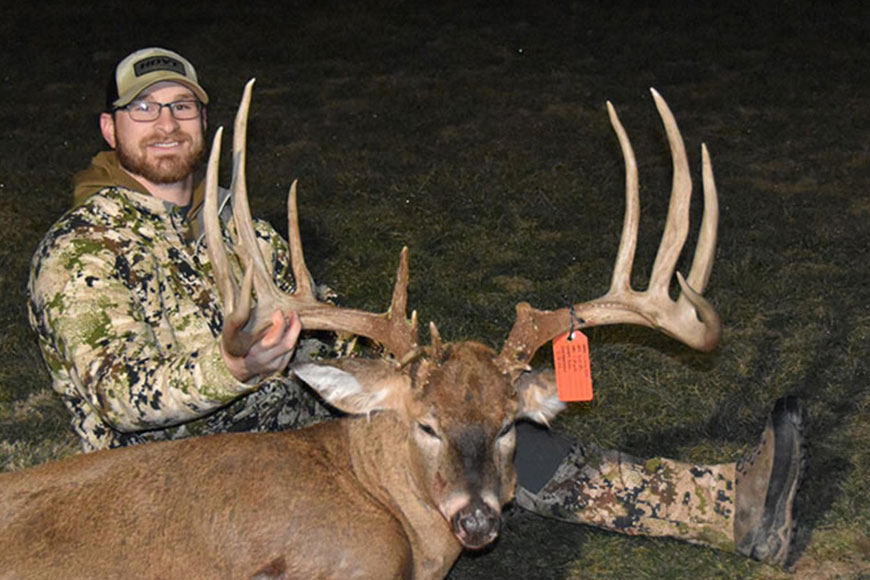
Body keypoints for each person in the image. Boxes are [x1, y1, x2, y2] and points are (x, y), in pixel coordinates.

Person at [27, 47, 805, 567]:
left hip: (300, 433)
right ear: (111, 129)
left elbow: (318, 328)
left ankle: (724, 506)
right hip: (169, 482)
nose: (166, 124)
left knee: (483, 433)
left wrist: (426, 371)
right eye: (144, 110)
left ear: (201, 120)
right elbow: (117, 398)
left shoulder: (243, 231)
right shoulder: (81, 250)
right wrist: (229, 364)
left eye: (182, 109)